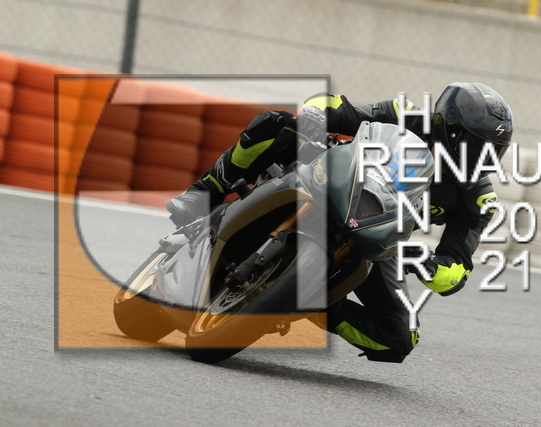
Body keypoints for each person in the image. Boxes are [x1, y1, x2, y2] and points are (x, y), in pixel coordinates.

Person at [166, 82, 514, 363]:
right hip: (332, 176)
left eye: (494, 151)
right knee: (279, 124)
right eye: (476, 145)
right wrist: (315, 114)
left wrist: (426, 263)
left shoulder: (477, 199)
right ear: (447, 128)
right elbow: (337, 106)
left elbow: (457, 271)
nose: (484, 158)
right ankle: (206, 190)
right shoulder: (405, 115)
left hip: (377, 234)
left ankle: (311, 301)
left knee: (399, 336)